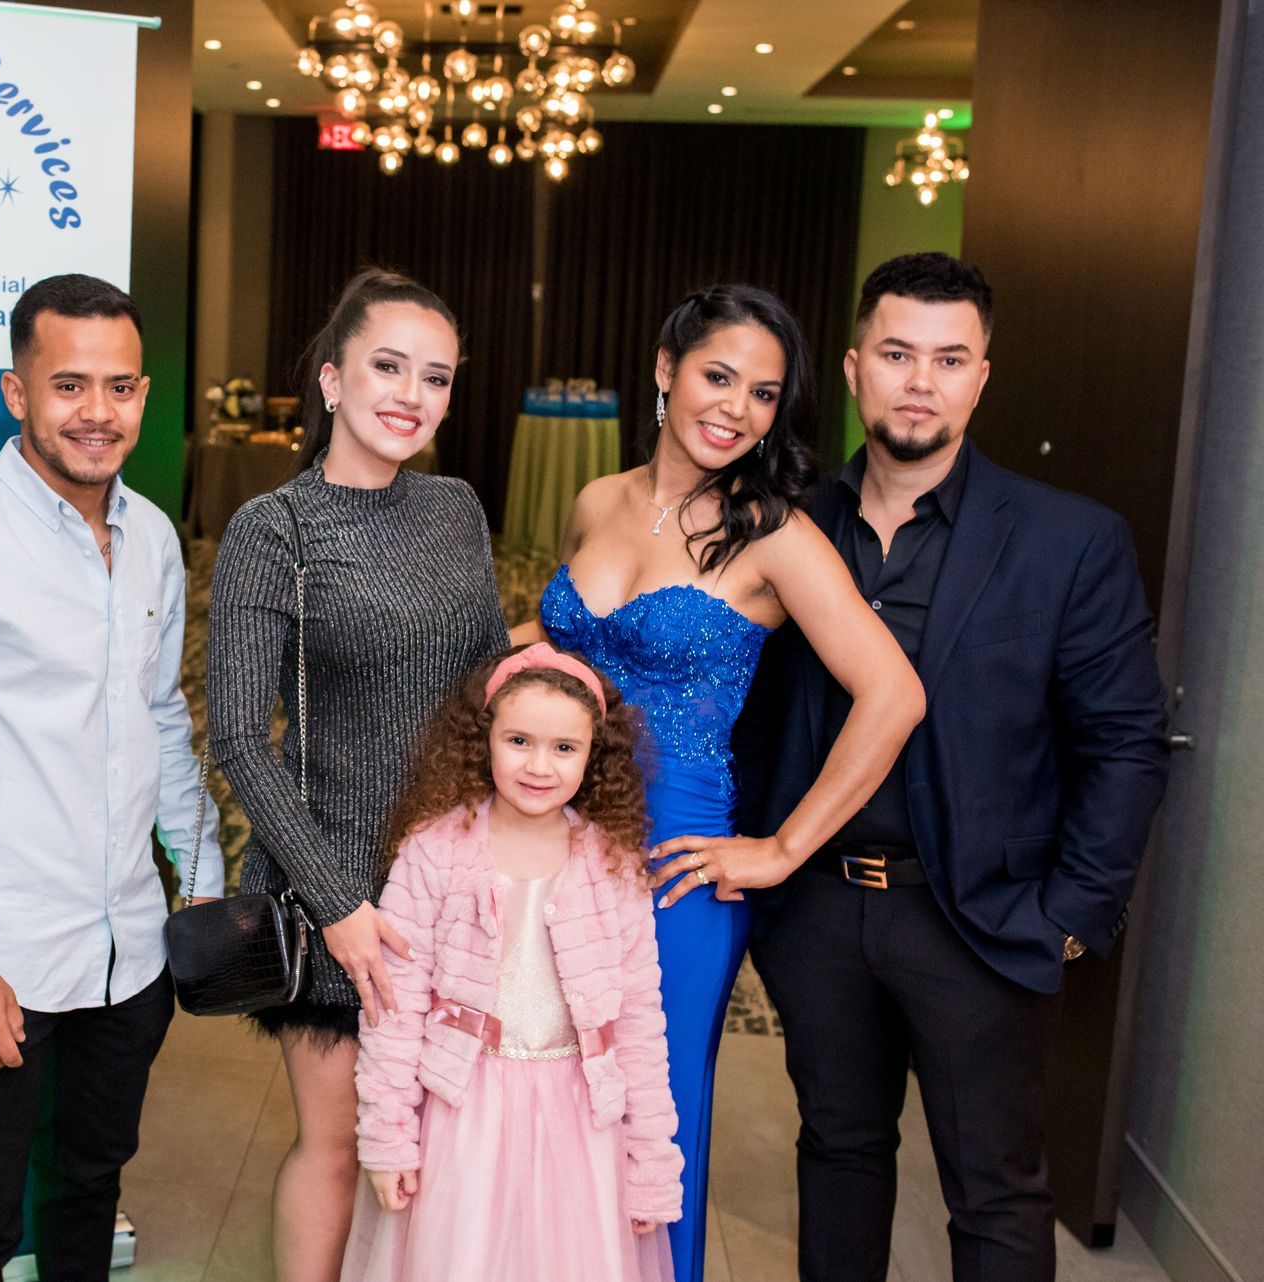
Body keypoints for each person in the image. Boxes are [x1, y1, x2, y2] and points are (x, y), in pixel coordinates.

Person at [739, 253, 1170, 1281]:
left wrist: (1072, 915)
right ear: (852, 369)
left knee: (996, 1191)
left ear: (983, 376)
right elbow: (738, 704)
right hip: (818, 913)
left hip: (983, 918)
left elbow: (1126, 741)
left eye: (948, 358)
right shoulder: (783, 522)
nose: (919, 381)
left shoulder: (1070, 541)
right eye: (896, 353)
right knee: (838, 1154)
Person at [520, 284, 927, 1282]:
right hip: (550, 844)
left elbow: (894, 694)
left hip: (674, 866)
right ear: (665, 368)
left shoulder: (776, 536)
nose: (735, 407)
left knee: (652, 1130)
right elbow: (571, 648)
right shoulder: (596, 499)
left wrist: (783, 846)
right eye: (717, 376)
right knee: (539, 1107)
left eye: (763, 392)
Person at [0, 273, 221, 1282]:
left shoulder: (151, 536)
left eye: (117, 388)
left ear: (145, 395)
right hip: (0, 958)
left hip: (128, 950)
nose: (95, 413)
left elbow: (159, 713)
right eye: (68, 385)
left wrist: (197, 878)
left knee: (90, 1190)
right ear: (18, 392)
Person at [206, 267, 510, 1282]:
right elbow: (241, 739)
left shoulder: (457, 506)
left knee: (443, 1151)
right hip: (334, 895)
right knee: (339, 1147)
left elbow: (485, 671)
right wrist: (338, 905)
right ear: (332, 379)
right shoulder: (273, 529)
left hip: (459, 886)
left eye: (437, 377)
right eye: (389, 366)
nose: (411, 395)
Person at [342, 643, 684, 1282]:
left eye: (564, 748)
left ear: (594, 756)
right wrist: (388, 1137)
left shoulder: (611, 865)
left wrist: (651, 1163)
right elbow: (394, 1006)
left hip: (581, 1126)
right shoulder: (434, 854)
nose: (539, 766)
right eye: (519, 740)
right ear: (484, 741)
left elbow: (640, 1023)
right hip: (462, 1117)